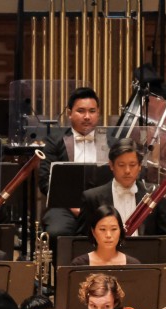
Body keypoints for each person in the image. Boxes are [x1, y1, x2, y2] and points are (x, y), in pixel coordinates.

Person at [40, 87, 107, 243]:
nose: (87, 116)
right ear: (69, 113)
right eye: (81, 111)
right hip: (64, 206)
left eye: (92, 111)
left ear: (98, 113)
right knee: (57, 232)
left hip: (102, 206)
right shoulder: (54, 141)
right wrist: (72, 206)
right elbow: (45, 181)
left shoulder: (110, 142)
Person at [78, 139, 166, 237]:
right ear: (111, 165)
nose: (127, 171)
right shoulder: (92, 198)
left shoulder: (155, 194)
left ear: (140, 166)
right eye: (121, 165)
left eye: (132, 165)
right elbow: (82, 239)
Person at [70, 204, 142, 267]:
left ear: (120, 231)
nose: (108, 235)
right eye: (102, 229)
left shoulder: (133, 264)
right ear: (93, 232)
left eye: (113, 229)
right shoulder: (79, 264)